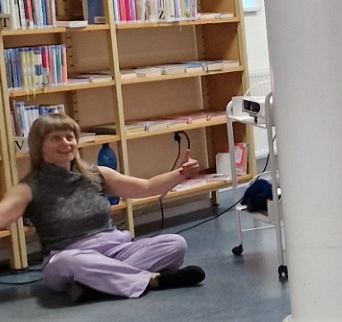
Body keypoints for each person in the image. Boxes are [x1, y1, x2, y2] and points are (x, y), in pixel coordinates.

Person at [0, 114, 206, 300]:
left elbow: (146, 187)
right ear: (39, 146)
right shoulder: (29, 188)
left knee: (175, 244)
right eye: (55, 138)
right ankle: (153, 280)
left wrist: (181, 173)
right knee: (67, 261)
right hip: (70, 257)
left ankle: (96, 285)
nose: (65, 143)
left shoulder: (96, 174)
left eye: (70, 137)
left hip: (117, 249)